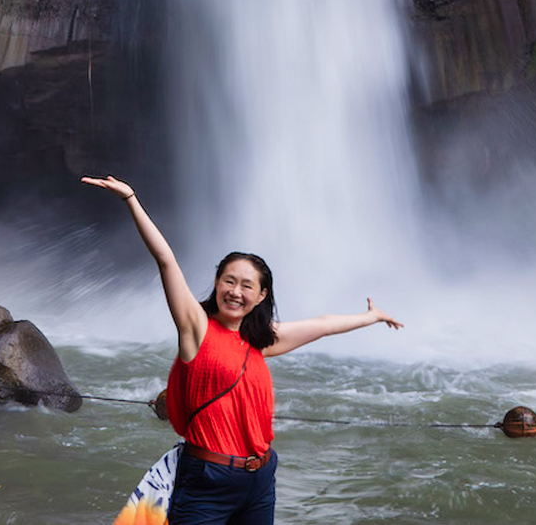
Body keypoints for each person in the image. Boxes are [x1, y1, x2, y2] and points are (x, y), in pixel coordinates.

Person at [84, 175, 403, 525]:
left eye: (247, 285)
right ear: (217, 282)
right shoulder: (196, 328)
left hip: (260, 479)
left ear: (261, 295)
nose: (236, 291)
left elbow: (324, 325)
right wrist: (130, 198)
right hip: (208, 478)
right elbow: (166, 260)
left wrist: (370, 316)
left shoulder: (261, 340)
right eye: (229, 281)